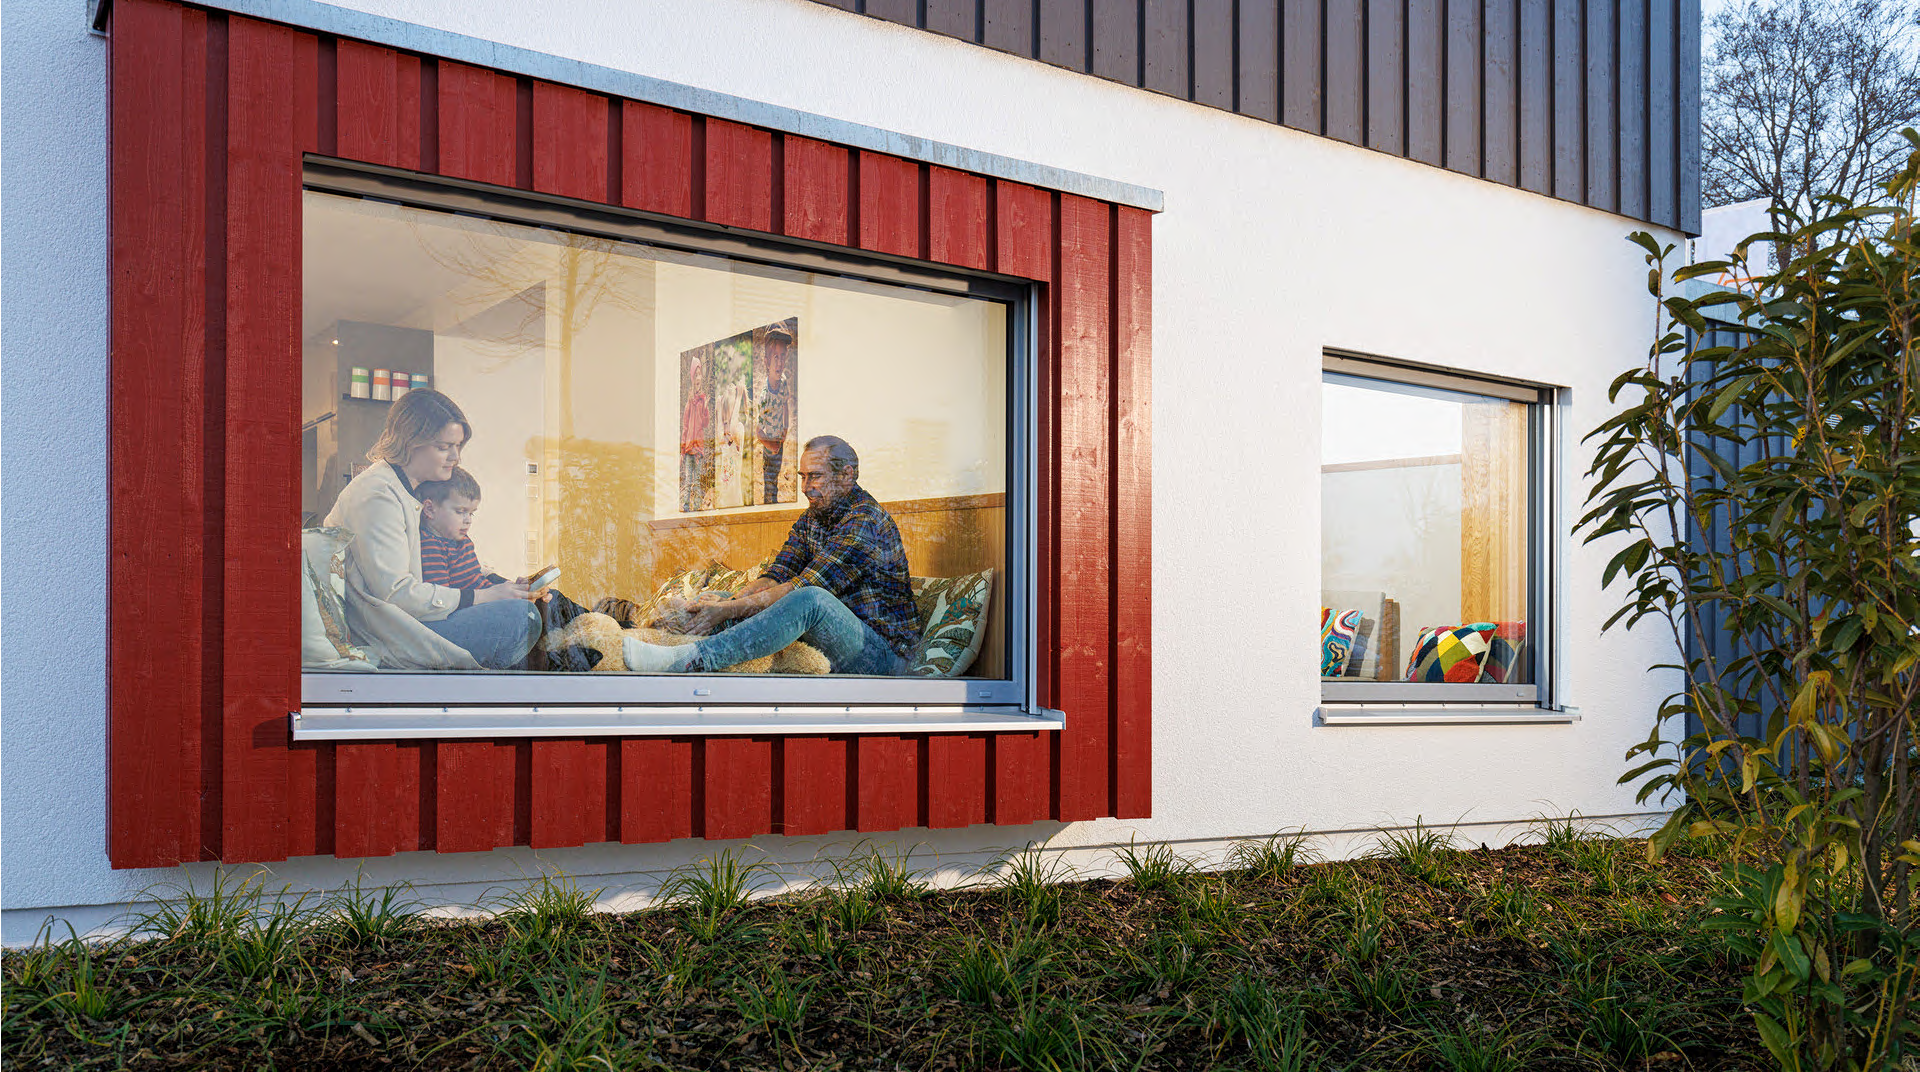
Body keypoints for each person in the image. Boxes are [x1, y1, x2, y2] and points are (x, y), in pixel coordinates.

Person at [622, 435, 919, 675]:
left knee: (810, 599)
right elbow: (777, 574)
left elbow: (802, 589)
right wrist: (731, 602)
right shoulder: (814, 517)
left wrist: (730, 610)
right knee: (723, 598)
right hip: (834, 638)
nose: (805, 488)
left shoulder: (865, 520)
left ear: (846, 476)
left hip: (883, 656)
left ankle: (689, 660)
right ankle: (664, 643)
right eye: (802, 477)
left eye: (814, 477)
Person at [325, 389, 541, 670]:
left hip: (414, 622)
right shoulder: (377, 495)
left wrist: (504, 584)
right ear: (410, 442)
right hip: (392, 636)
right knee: (522, 617)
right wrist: (486, 596)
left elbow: (442, 556)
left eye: (458, 446)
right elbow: (396, 594)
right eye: (444, 447)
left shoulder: (411, 489)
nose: (455, 457)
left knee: (533, 606)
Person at [415, 465, 590, 637]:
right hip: (471, 613)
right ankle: (581, 638)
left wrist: (511, 588)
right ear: (430, 509)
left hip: (485, 600)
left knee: (550, 596)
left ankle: (595, 624)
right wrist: (502, 597)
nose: (468, 521)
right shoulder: (431, 547)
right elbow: (444, 604)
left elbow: (477, 582)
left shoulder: (460, 540)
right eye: (461, 512)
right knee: (524, 612)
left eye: (471, 513)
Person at [756, 324, 794, 503]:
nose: (779, 363)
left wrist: (785, 428)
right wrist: (770, 445)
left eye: (783, 357)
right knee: (768, 480)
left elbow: (785, 404)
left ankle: (774, 501)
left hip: (780, 440)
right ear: (766, 361)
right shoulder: (764, 396)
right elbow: (758, 432)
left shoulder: (784, 382)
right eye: (775, 357)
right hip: (770, 445)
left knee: (776, 477)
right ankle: (768, 504)